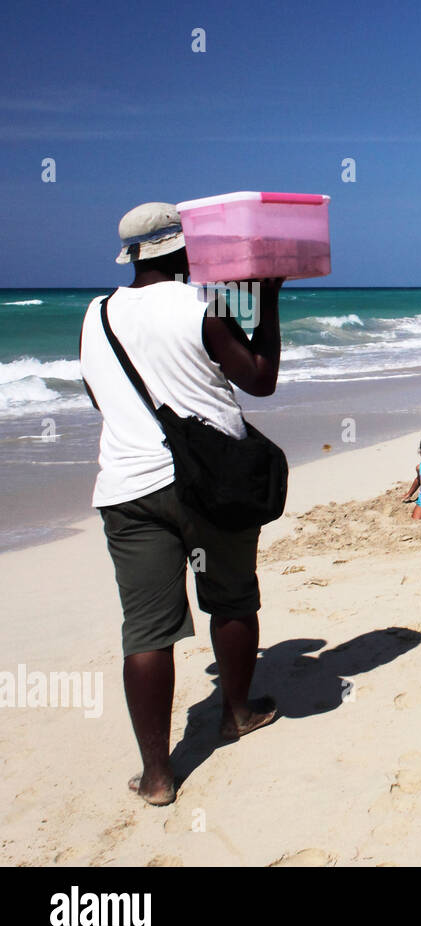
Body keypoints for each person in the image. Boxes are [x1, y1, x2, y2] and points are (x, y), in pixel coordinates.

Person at [79, 202, 285, 806]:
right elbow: (259, 377)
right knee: (231, 596)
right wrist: (267, 300)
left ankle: (158, 775)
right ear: (183, 247)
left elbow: (100, 396)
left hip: (127, 488)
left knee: (146, 632)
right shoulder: (204, 306)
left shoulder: (96, 316)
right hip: (209, 482)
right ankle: (237, 713)